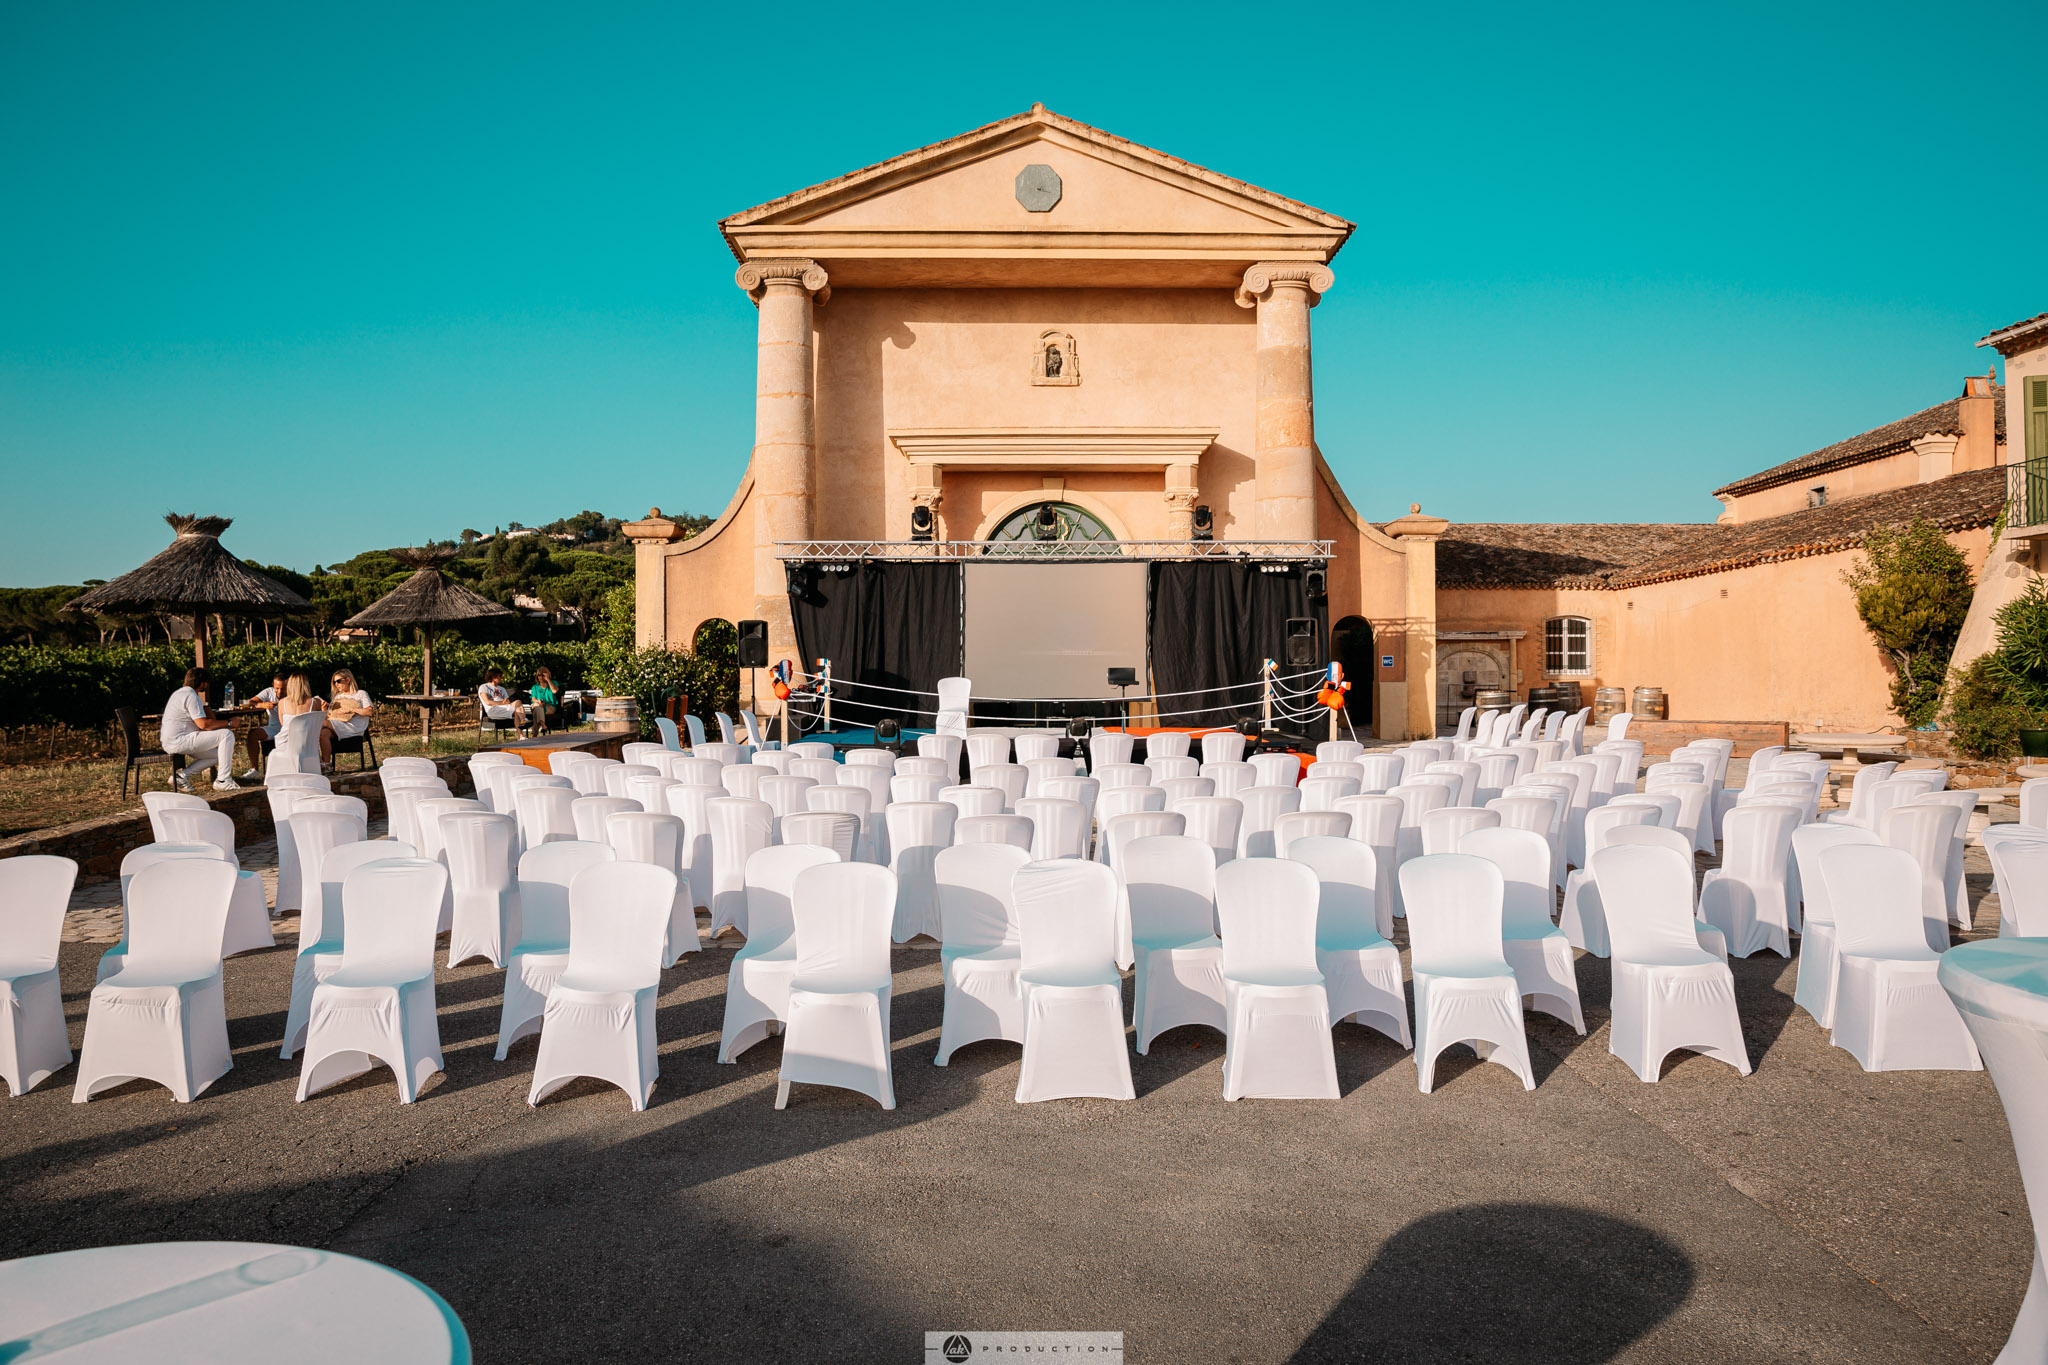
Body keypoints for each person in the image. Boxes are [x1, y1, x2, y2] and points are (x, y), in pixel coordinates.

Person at [160, 666, 240, 792]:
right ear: (203, 683)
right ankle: (223, 780)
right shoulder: (191, 696)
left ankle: (181, 777)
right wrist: (230, 723)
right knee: (227, 734)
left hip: (173, 741)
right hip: (181, 740)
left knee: (218, 755)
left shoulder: (179, 693)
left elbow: (203, 722)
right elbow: (204, 725)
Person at [276, 668, 333, 770]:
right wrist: (324, 710)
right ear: (305, 684)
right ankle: (320, 762)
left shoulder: (282, 703)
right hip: (307, 744)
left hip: (285, 743)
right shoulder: (315, 702)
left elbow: (283, 724)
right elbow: (318, 724)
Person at [241, 667, 289, 778]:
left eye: (283, 689)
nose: (280, 692)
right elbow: (249, 702)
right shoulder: (268, 692)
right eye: (277, 688)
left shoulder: (293, 693)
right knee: (253, 733)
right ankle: (254, 770)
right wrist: (262, 704)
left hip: (289, 728)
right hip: (274, 728)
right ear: (273, 685)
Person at [325, 669, 375, 748]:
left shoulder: (360, 694)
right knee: (324, 733)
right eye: (334, 682)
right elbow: (330, 715)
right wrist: (324, 708)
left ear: (348, 680)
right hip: (338, 723)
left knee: (322, 723)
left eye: (338, 681)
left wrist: (351, 709)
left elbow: (370, 712)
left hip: (354, 727)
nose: (336, 684)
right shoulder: (338, 697)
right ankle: (324, 760)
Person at [477, 668, 529, 733]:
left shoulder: (502, 689)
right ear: (493, 677)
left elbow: (507, 702)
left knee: (518, 702)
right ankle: (523, 724)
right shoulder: (484, 687)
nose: (502, 678)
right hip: (493, 710)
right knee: (517, 712)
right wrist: (502, 703)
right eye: (500, 676)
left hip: (504, 708)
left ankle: (523, 722)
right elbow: (488, 702)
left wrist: (508, 701)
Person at [527, 667, 558, 735]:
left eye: (543, 675)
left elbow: (554, 691)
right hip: (537, 704)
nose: (540, 677)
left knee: (535, 712)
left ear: (547, 675)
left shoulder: (553, 683)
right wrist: (539, 701)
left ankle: (534, 734)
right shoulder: (535, 687)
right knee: (537, 706)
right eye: (539, 675)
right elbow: (533, 699)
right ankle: (543, 725)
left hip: (550, 706)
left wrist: (548, 680)